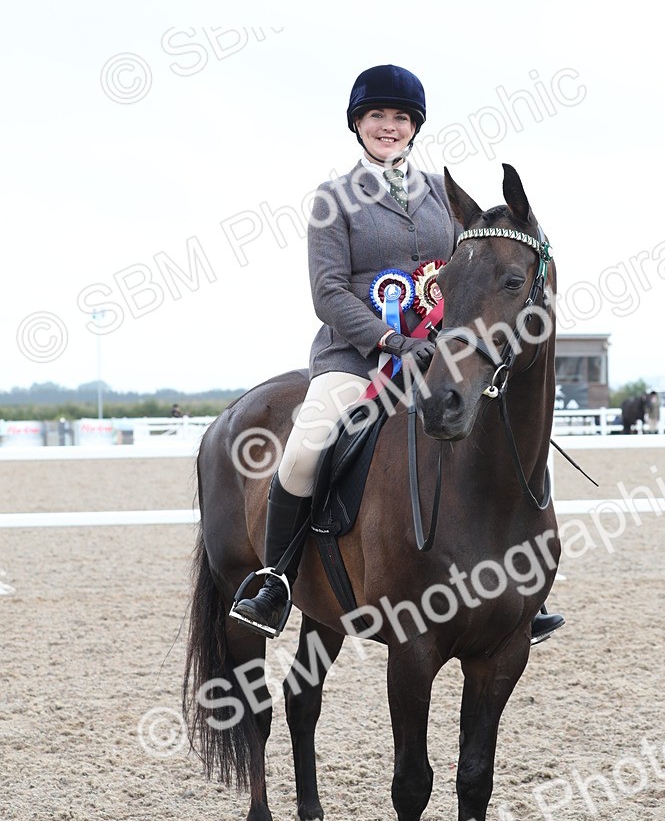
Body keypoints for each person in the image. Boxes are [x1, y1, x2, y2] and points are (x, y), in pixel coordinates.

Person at [231, 64, 564, 645]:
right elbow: (328, 292)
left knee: (511, 438)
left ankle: (519, 591)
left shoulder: (444, 194)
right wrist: (388, 340)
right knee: (306, 448)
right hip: (357, 358)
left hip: (439, 355)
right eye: (378, 116)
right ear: (358, 124)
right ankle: (275, 580)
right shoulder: (333, 200)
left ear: (415, 127)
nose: (390, 127)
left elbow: (480, 267)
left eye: (401, 118)